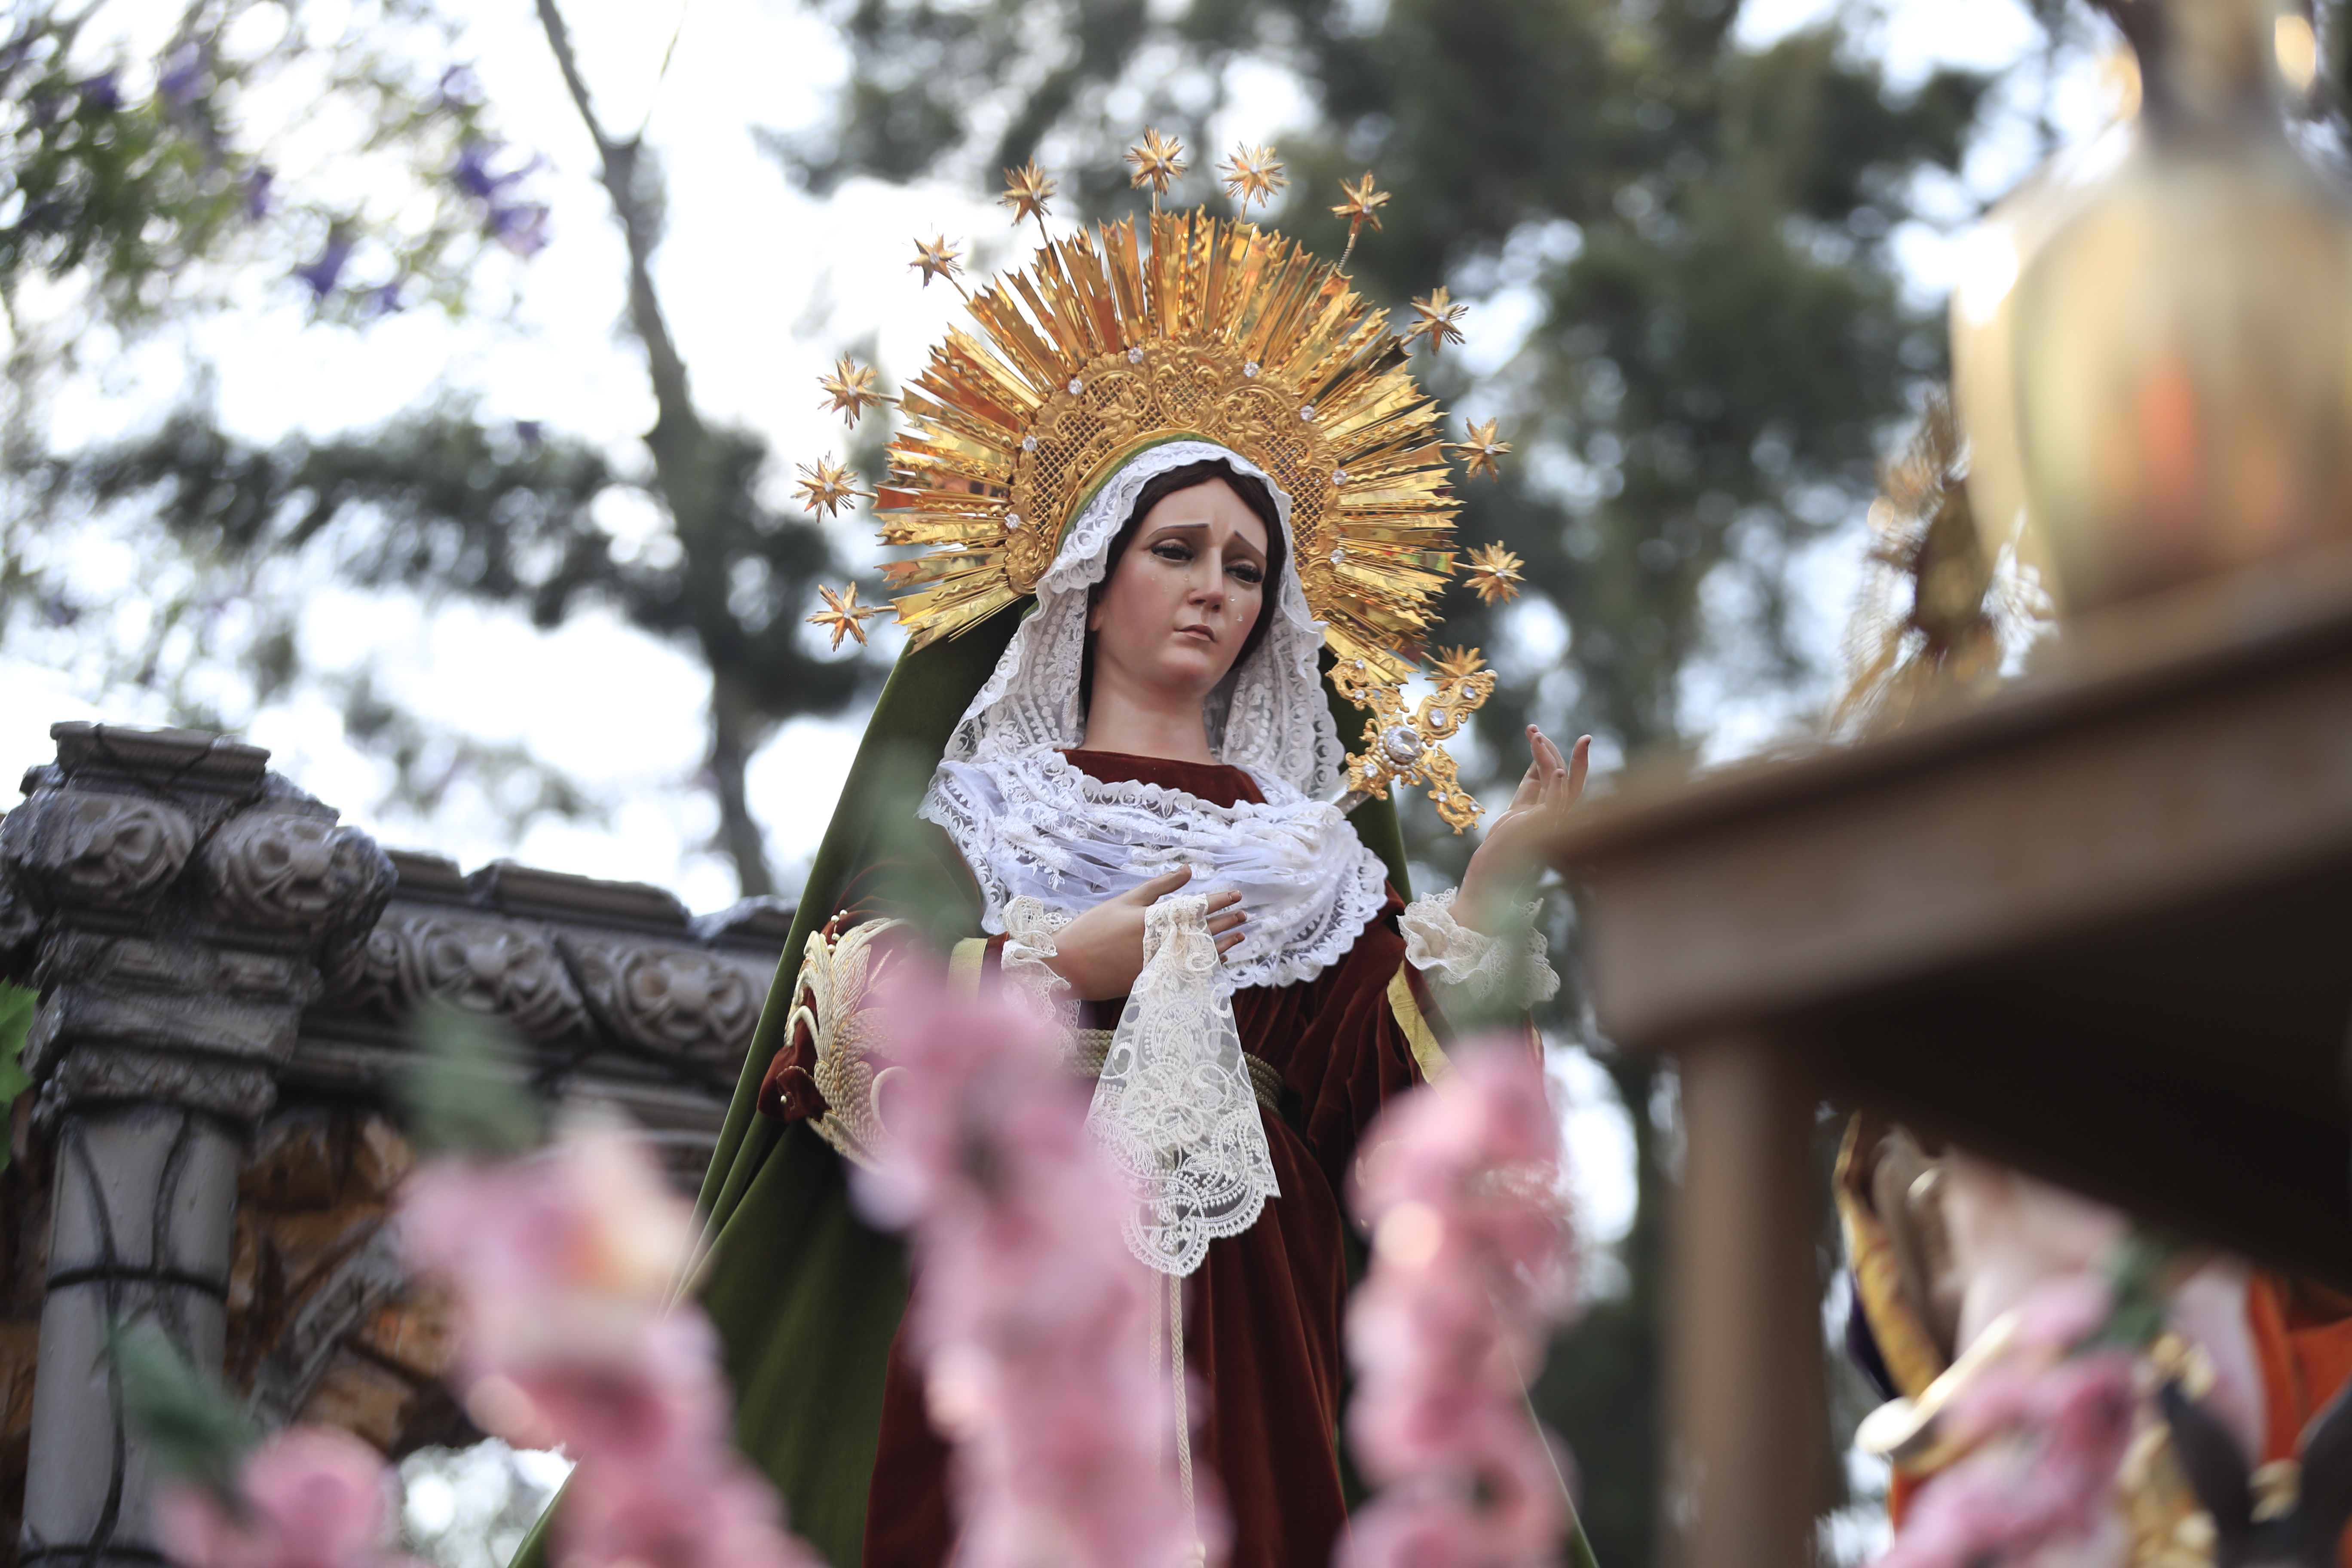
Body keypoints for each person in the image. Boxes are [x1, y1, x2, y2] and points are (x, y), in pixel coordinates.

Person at [686, 436, 1585, 1568]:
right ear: (1093, 585)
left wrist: (1490, 902)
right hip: (1031, 1244)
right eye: (1177, 550)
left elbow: (1394, 1102)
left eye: (1248, 569)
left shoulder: (1309, 860)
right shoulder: (985, 815)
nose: (1216, 588)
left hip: (1254, 1284)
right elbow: (844, 1015)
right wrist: (1056, 965)